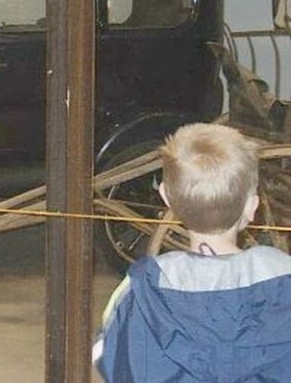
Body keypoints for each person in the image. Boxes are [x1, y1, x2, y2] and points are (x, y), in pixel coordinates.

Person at [93, 123, 291, 382]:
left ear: (166, 198)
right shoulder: (282, 275)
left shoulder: (145, 286)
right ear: (252, 207)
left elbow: (112, 355)